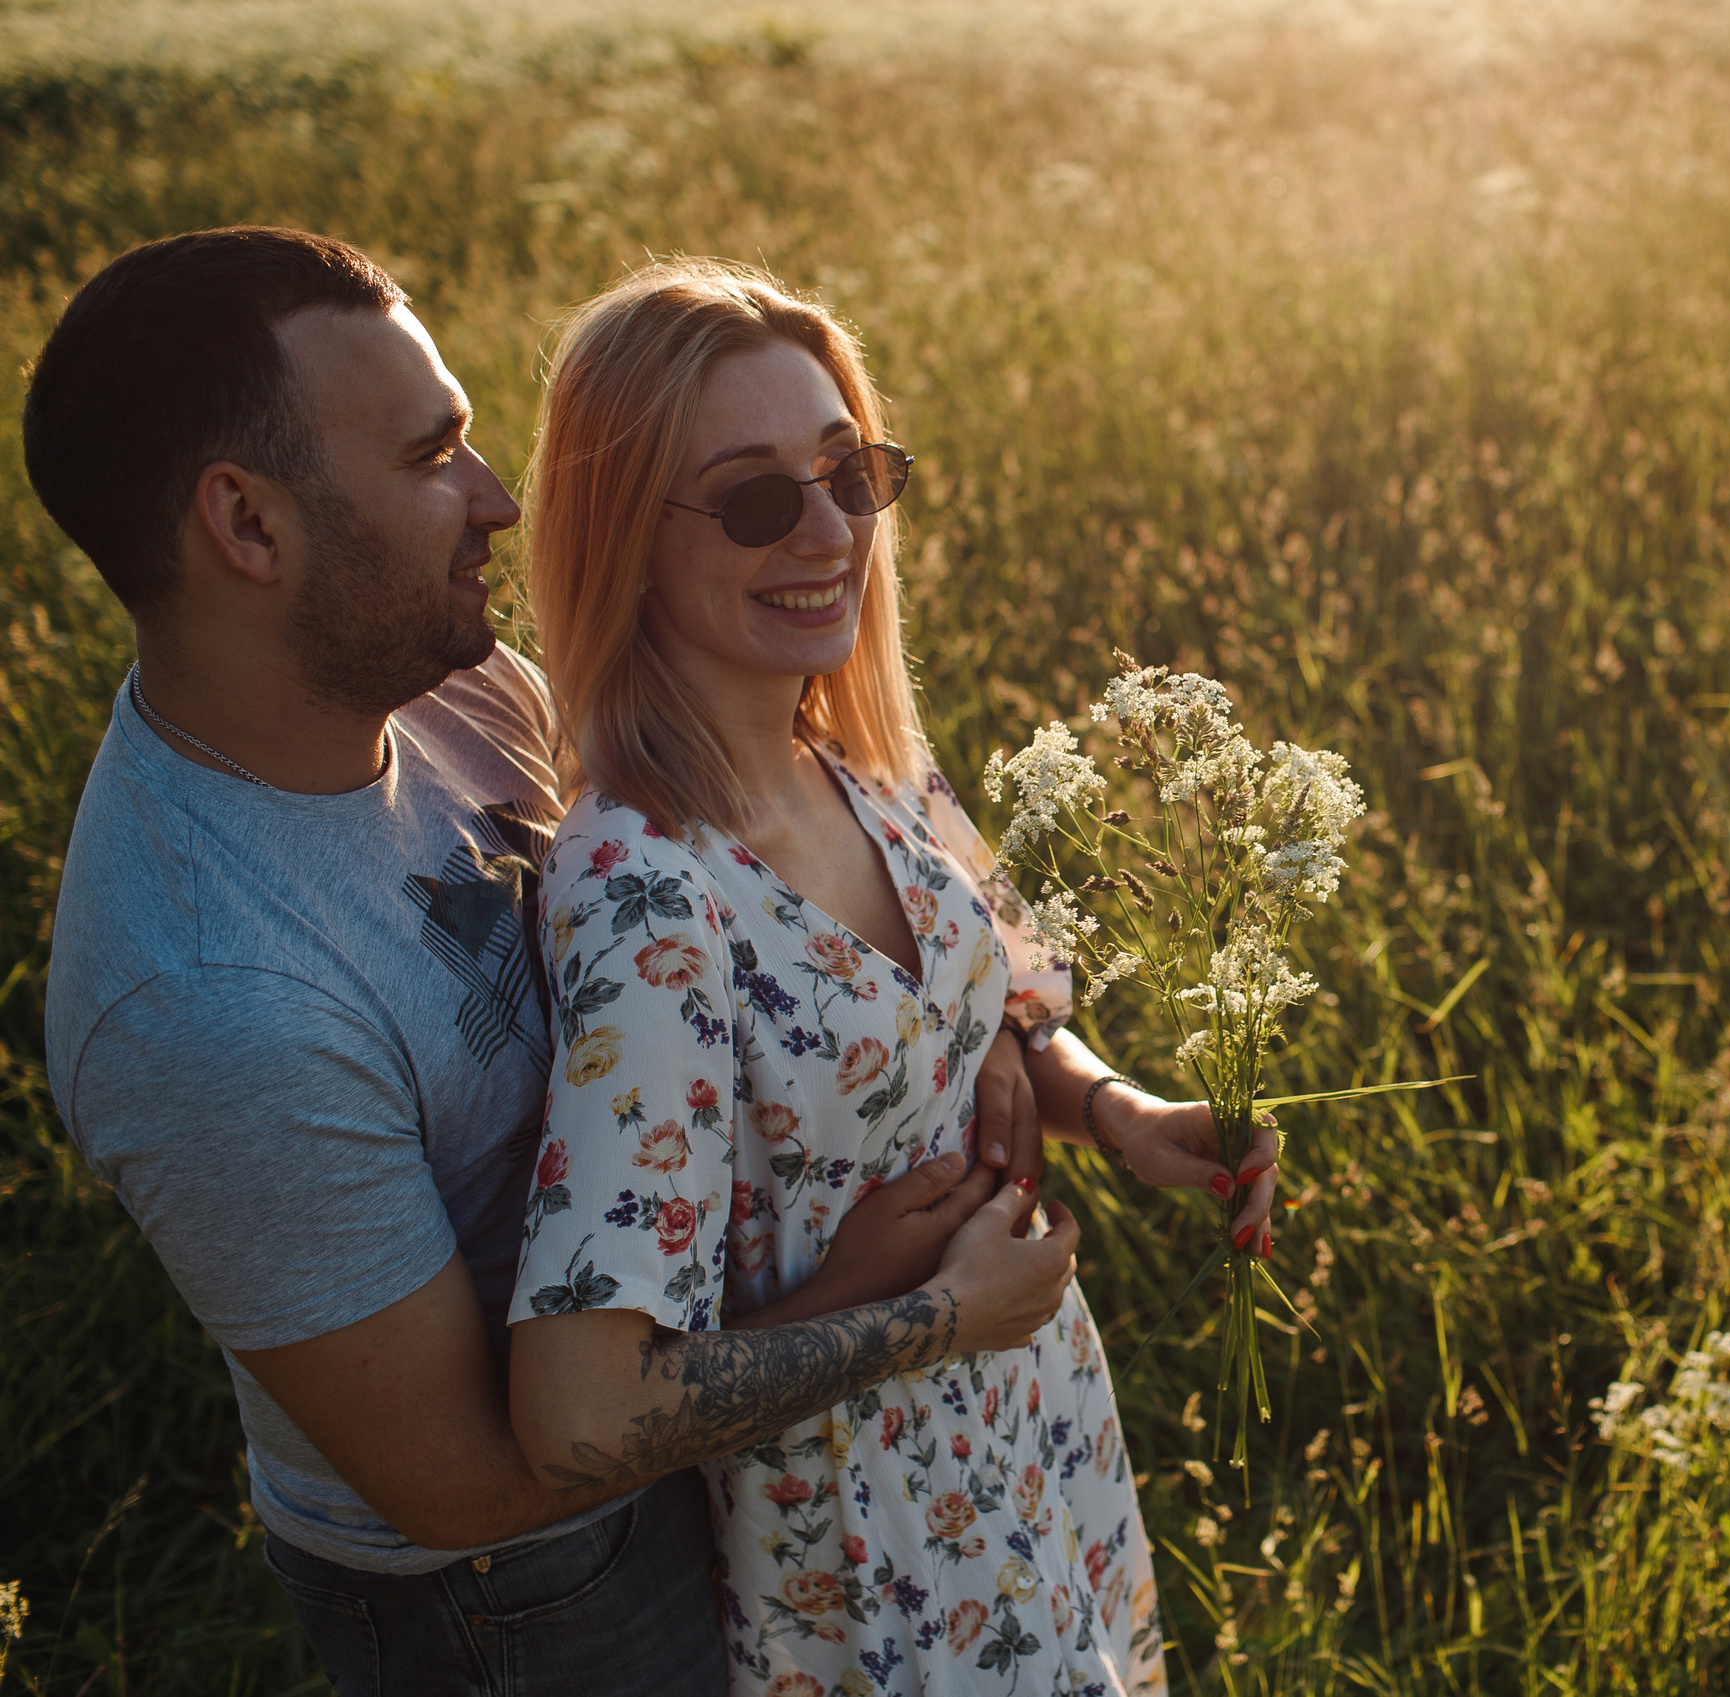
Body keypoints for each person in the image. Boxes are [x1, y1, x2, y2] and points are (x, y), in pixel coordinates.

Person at [28, 226, 1082, 1697]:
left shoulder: (447, 684)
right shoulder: (209, 1002)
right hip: (523, 1595)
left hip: (721, 1421)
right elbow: (465, 1480)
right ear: (246, 527)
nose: (502, 498)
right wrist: (889, 1314)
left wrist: (988, 1041)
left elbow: (729, 916)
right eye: (430, 455)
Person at [504, 258, 1282, 1696]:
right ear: (625, 537)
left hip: (1030, 1450)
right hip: (872, 1559)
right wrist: (925, 1316)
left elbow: (986, 1018)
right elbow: (576, 1412)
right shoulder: (649, 899)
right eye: (753, 499)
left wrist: (1122, 1114)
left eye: (848, 473)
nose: (827, 531)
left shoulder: (858, 753)